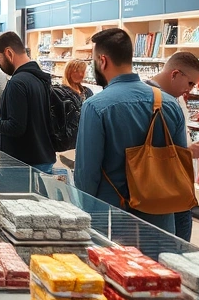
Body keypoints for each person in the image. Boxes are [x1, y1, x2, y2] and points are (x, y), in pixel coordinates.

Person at [74, 28, 188, 234]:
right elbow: (181, 170)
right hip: (161, 225)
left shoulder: (95, 107)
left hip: (112, 223)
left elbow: (86, 176)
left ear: (102, 61)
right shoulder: (170, 104)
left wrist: (84, 222)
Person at [146, 51, 199, 241]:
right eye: (190, 83)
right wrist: (190, 151)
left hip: (179, 188)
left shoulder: (175, 99)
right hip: (165, 191)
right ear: (175, 74)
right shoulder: (150, 100)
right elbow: (153, 150)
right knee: (174, 246)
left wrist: (191, 148)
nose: (191, 90)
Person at [0, 32, 56, 171]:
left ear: (9, 53)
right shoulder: (40, 79)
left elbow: (16, 127)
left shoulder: (17, 83)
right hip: (43, 156)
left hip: (23, 164)